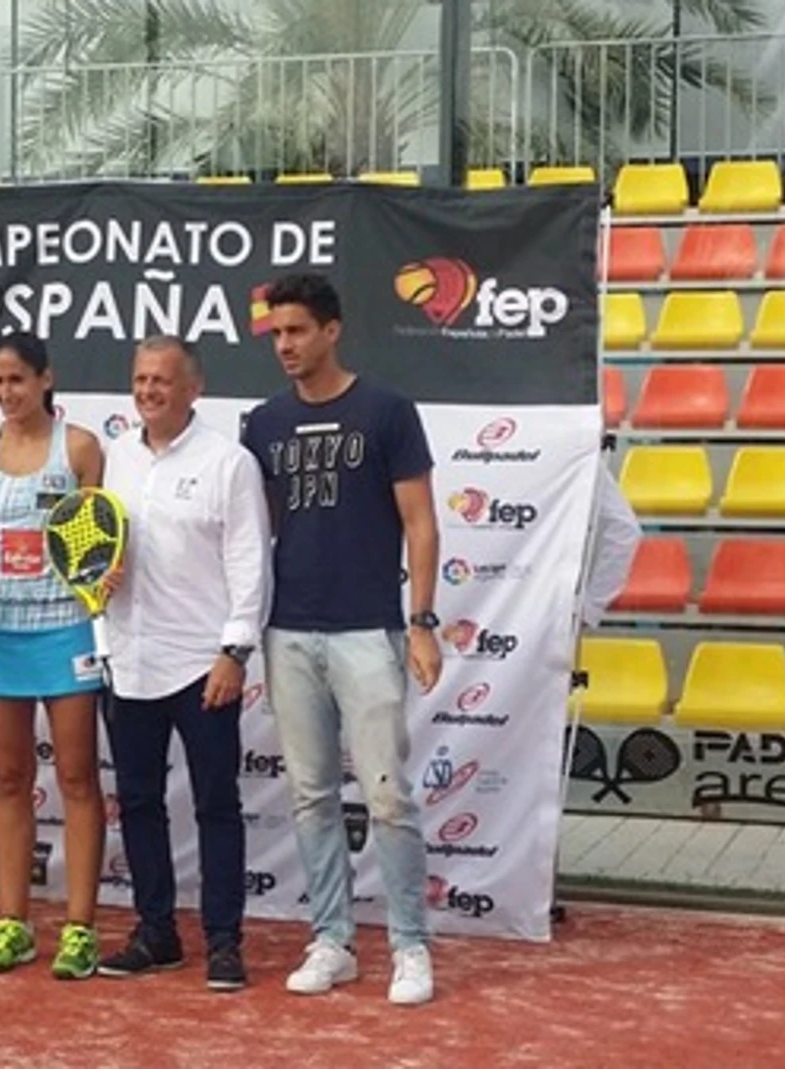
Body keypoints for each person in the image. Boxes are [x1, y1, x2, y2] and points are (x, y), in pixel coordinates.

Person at [239, 273, 442, 1006]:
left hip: (369, 630)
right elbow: (251, 535)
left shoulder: (387, 411)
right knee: (311, 795)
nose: (286, 346)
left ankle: (410, 946)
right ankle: (333, 938)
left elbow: (420, 521)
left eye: (297, 330)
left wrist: (421, 621)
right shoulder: (262, 424)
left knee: (388, 796)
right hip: (288, 631)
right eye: (277, 334)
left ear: (332, 330)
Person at [96, 336, 270, 992]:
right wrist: (102, 575)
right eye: (140, 379)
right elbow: (107, 546)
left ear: (193, 388)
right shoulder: (117, 457)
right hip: (129, 660)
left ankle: (225, 941)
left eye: (161, 380)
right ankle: (156, 932)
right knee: (139, 802)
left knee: (216, 804)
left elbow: (250, 562)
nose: (148, 391)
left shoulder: (230, 463)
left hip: (203, 665)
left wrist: (234, 651)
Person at [0, 332, 110, 979]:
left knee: (77, 778)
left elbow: (98, 543)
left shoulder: (78, 448)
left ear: (46, 379)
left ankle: (79, 928)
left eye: (18, 379)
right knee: (10, 779)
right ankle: (12, 922)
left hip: (66, 630)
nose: (8, 392)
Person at [580, 456, 641, 627]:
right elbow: (624, 529)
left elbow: (624, 529)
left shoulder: (579, 456)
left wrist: (590, 608)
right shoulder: (578, 453)